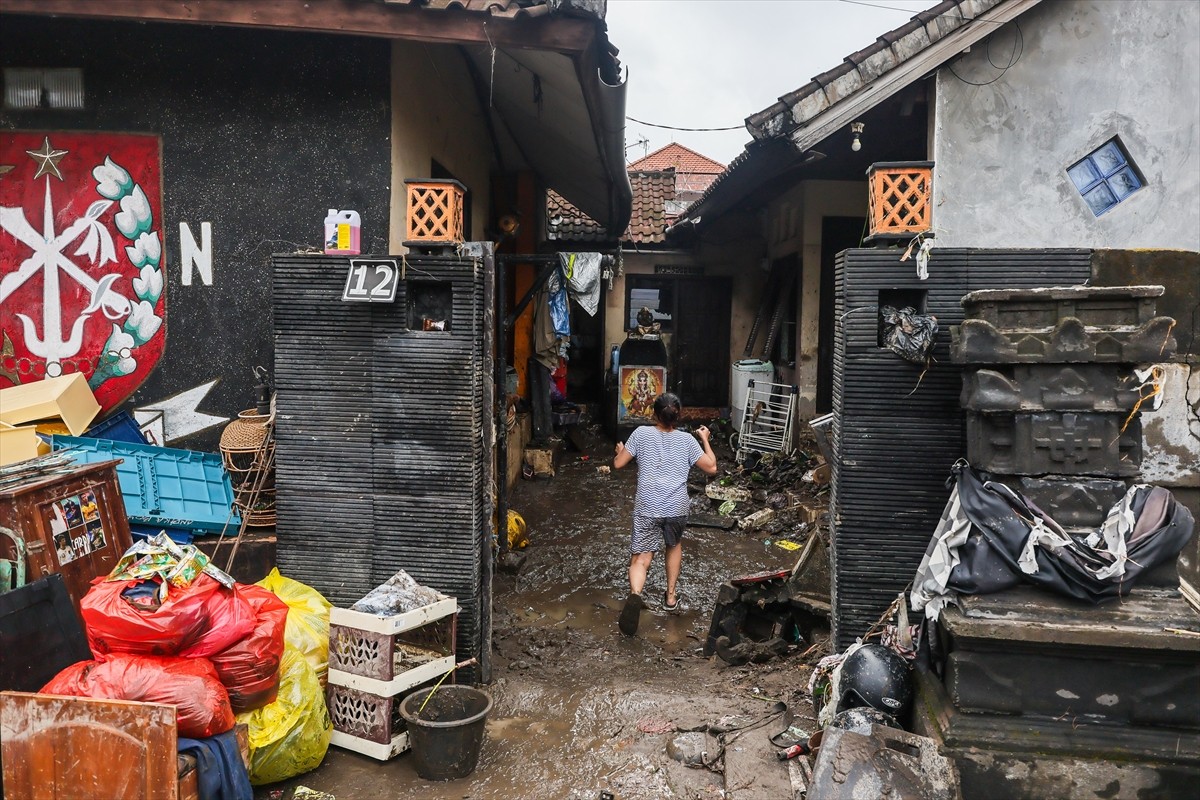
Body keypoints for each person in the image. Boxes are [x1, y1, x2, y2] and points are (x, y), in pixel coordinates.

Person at [612, 392, 717, 636]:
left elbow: (619, 464)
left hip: (648, 504)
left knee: (641, 558)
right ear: (677, 416)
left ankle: (636, 594)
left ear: (654, 414)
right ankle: (670, 598)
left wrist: (620, 450)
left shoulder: (640, 434)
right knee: (674, 545)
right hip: (676, 505)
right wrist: (704, 439)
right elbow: (712, 467)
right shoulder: (687, 441)